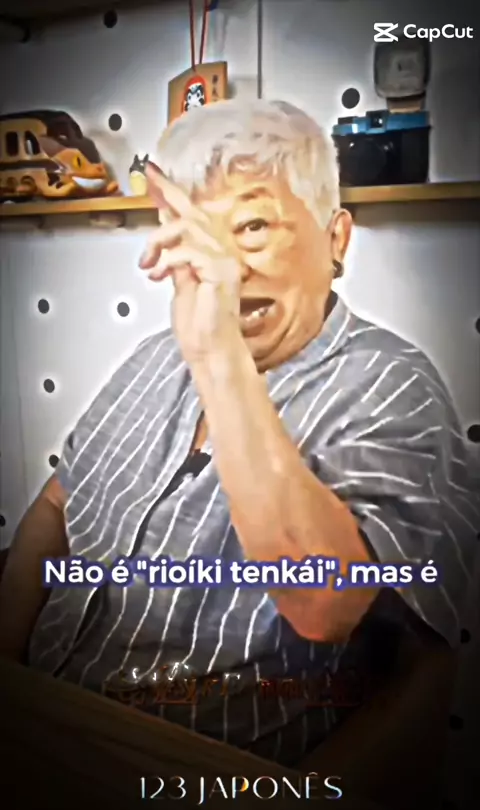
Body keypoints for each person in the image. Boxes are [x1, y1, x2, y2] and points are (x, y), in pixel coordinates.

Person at [0, 99, 478, 767]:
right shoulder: (154, 357)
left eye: (253, 226)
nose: (223, 268)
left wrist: (219, 356)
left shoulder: (392, 386)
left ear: (336, 241)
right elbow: (57, 503)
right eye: (201, 234)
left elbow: (327, 604)